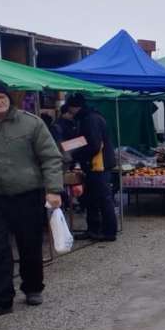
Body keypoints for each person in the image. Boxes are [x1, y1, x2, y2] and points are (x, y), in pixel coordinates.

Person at [0, 79, 63, 320]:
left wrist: (54, 189)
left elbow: (50, 157)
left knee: (29, 244)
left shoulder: (31, 123)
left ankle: (33, 288)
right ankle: (0, 300)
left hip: (27, 195)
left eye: (1, 97)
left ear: (9, 98)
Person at [67, 94, 118, 242]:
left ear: (74, 107)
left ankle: (109, 232)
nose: (70, 114)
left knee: (103, 199)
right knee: (91, 199)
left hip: (98, 165)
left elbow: (94, 145)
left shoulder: (90, 120)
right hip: (93, 165)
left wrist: (75, 155)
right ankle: (93, 230)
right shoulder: (91, 117)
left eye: (70, 110)